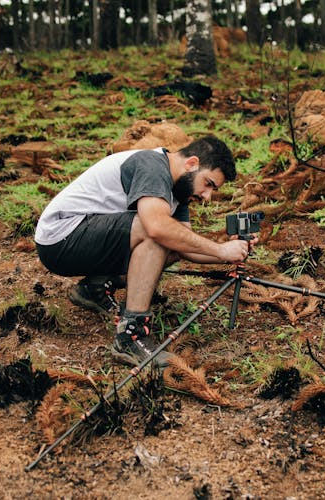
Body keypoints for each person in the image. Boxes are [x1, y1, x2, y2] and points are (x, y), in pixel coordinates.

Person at [34, 136, 252, 368]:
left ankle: (93, 287)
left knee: (175, 238)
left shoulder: (178, 189)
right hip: (60, 239)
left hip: (81, 240)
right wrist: (220, 250)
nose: (207, 196)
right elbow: (157, 228)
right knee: (157, 233)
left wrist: (233, 251)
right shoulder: (153, 166)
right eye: (208, 184)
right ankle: (130, 337)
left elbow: (187, 247)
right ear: (191, 163)